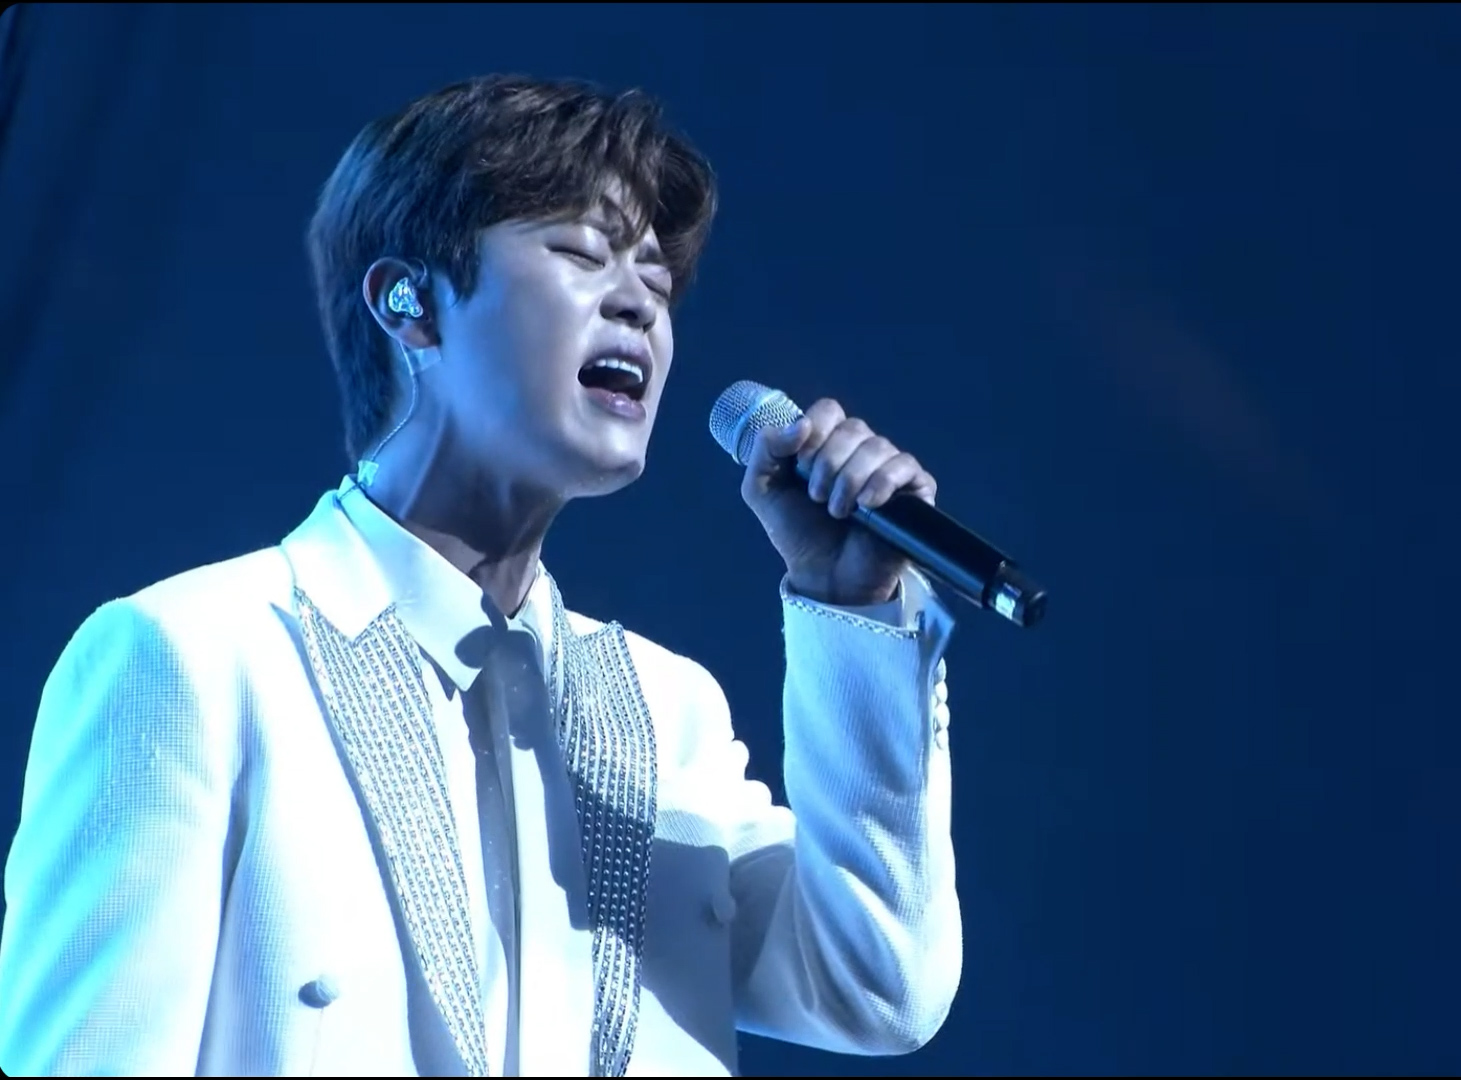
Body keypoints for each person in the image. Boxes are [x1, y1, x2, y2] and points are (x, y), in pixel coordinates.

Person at [0, 74, 962, 1077]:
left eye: (656, 279)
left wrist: (853, 606)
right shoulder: (199, 660)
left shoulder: (666, 713)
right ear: (410, 304)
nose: (637, 301)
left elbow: (878, 988)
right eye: (580, 254)